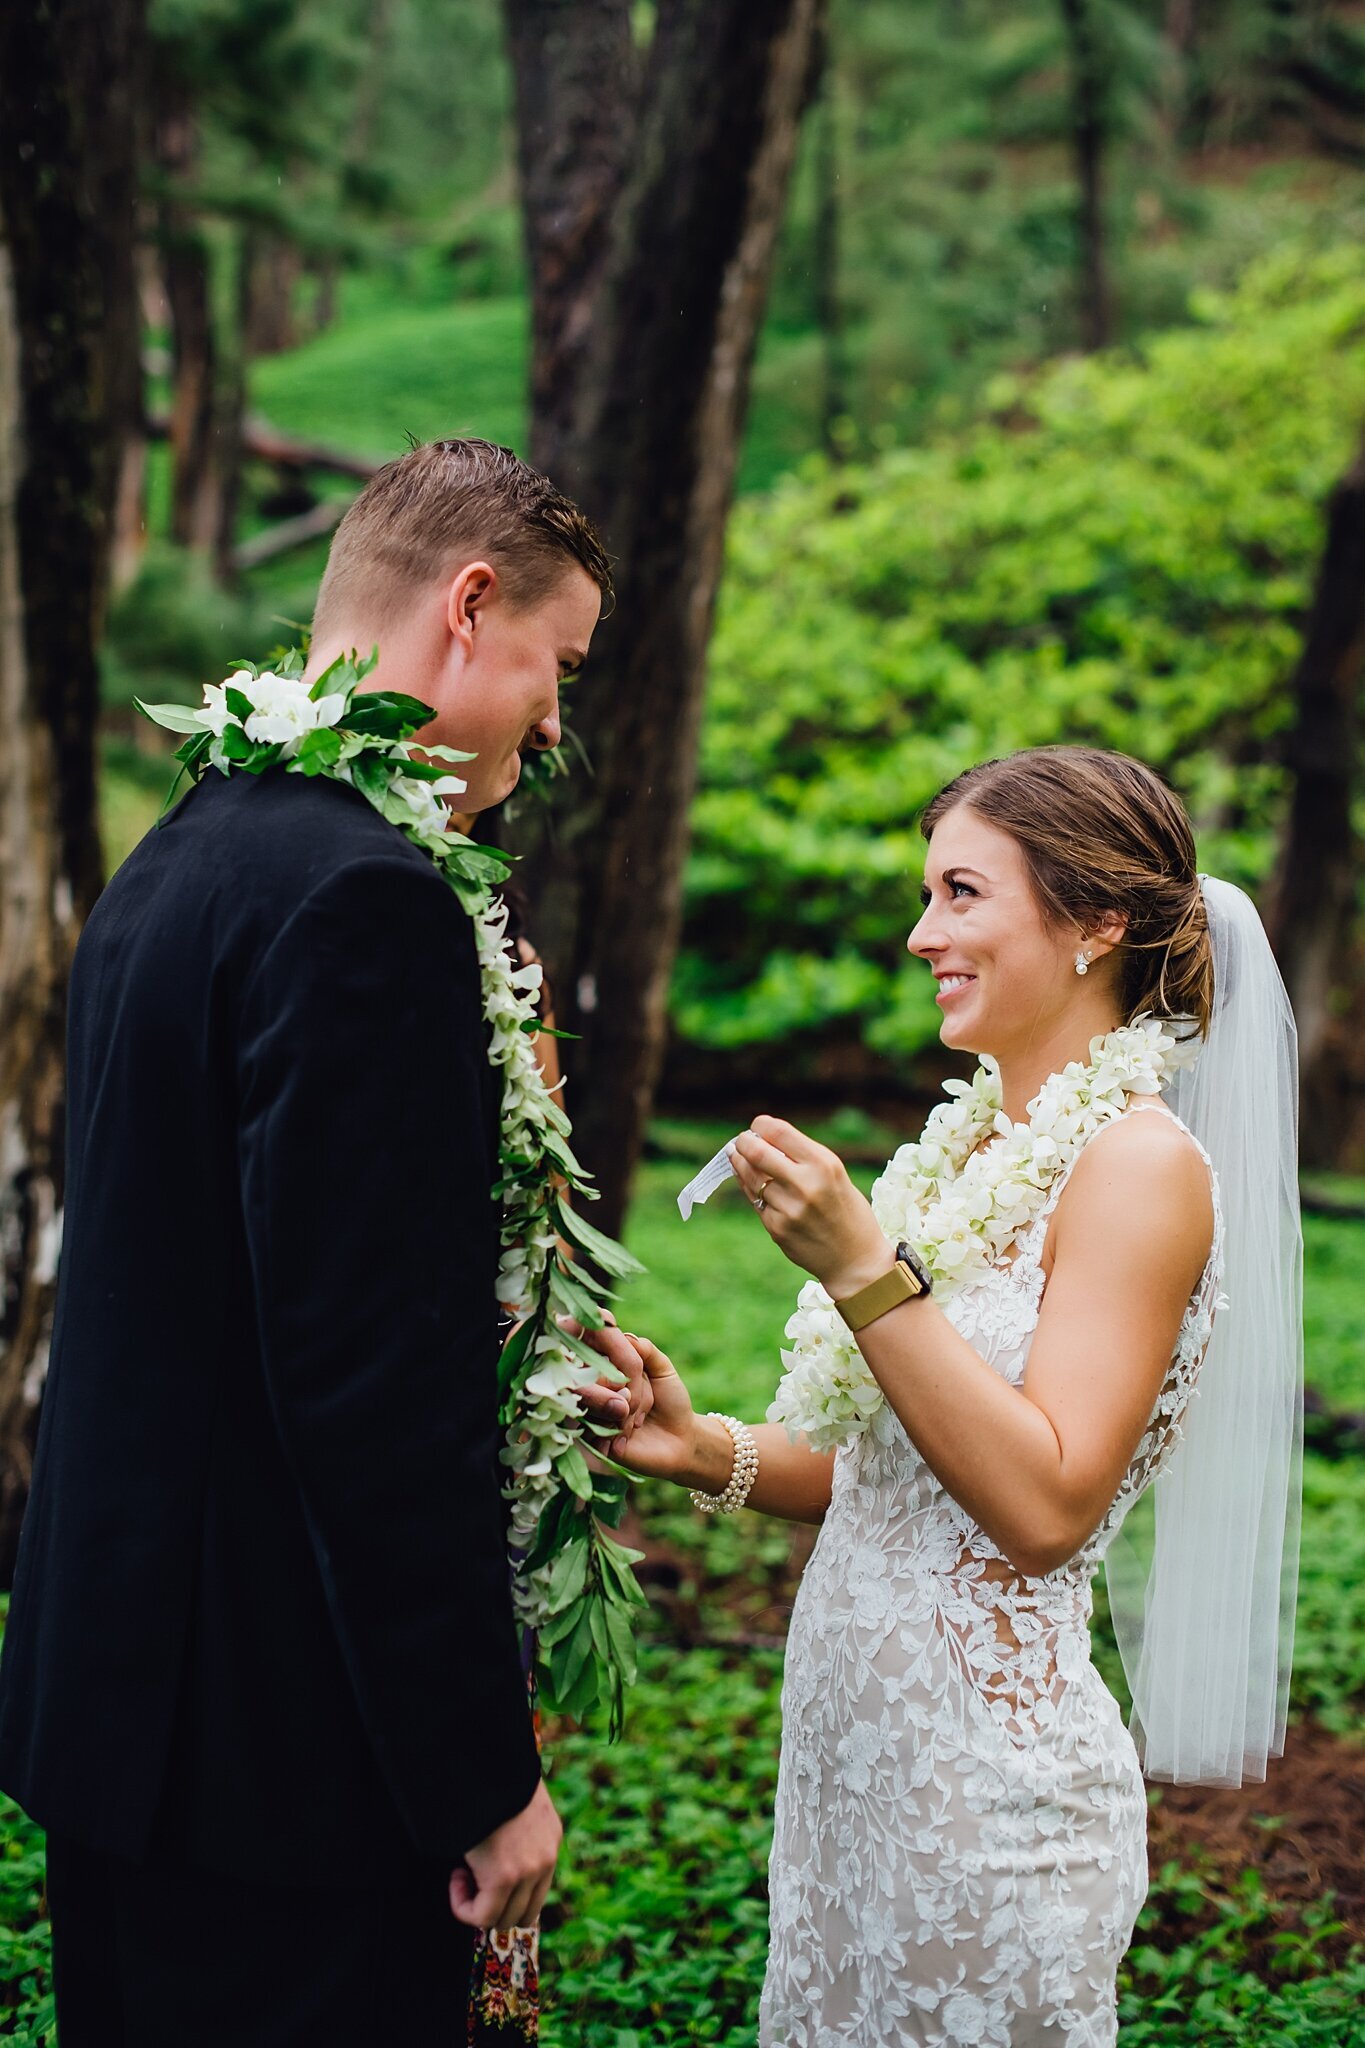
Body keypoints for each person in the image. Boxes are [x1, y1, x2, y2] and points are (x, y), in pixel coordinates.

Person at [0, 439, 635, 2046]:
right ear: (467, 605)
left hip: (124, 1708)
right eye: (557, 666)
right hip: (280, 1748)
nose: (559, 722)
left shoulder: (185, 850)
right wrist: (479, 1775)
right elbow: (365, 1382)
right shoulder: (369, 901)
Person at [602, 747, 1302, 2046]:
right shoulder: (968, 1146)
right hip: (849, 1779)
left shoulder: (1138, 1168)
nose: (924, 934)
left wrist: (864, 1270)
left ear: (1094, 922)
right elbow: (897, 1473)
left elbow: (1038, 1505)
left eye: (961, 895)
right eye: (928, 897)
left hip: (987, 1812)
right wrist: (701, 1447)